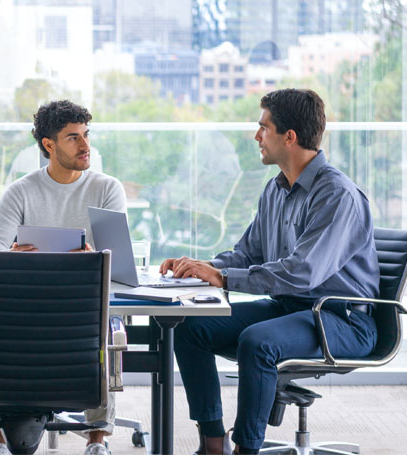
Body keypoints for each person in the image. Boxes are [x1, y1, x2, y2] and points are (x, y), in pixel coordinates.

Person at [160, 89, 379, 455]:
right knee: (189, 326)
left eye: (263, 128)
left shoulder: (337, 195)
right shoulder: (276, 189)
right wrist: (202, 267)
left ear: (288, 137)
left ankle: (248, 449)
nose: (256, 136)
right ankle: (213, 443)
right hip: (291, 308)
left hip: (342, 319)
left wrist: (225, 279)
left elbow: (304, 271)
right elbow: (249, 253)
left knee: (258, 342)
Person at [0, 99, 127, 455]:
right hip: (31, 300)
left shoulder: (106, 188)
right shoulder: (21, 190)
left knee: (100, 324)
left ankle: (97, 440)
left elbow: (119, 262)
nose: (85, 146)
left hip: (85, 301)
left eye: (86, 135)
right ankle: (2, 437)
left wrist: (95, 257)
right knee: (0, 324)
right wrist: (11, 255)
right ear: (49, 145)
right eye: (73, 138)